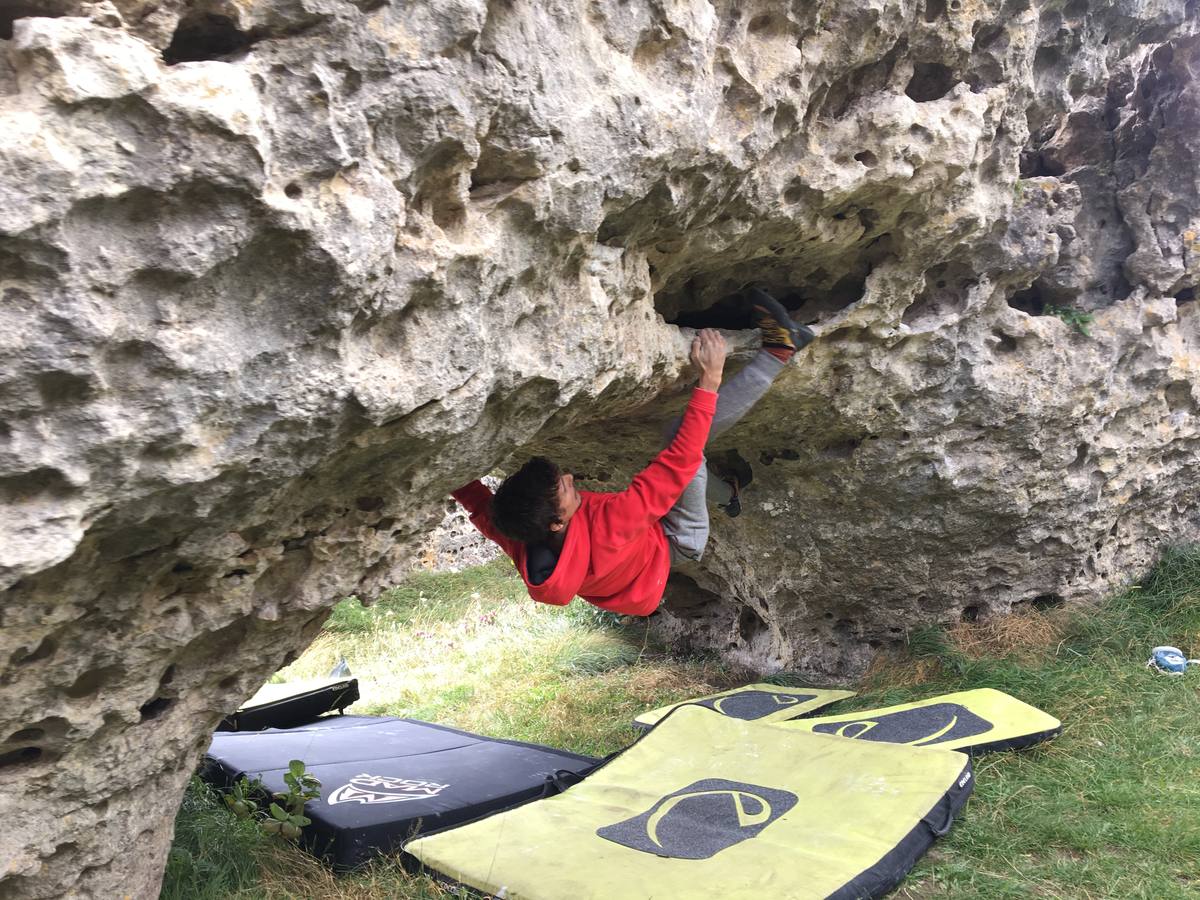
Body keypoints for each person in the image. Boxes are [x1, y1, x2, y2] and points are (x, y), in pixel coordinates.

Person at [450, 288, 814, 617]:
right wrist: (710, 379)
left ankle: (729, 496)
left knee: (690, 464)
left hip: (637, 562)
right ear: (556, 523)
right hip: (678, 539)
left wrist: (437, 458)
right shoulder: (612, 524)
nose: (570, 478)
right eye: (563, 488)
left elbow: (477, 501)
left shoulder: (520, 534)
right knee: (680, 440)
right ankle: (780, 349)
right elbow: (678, 461)